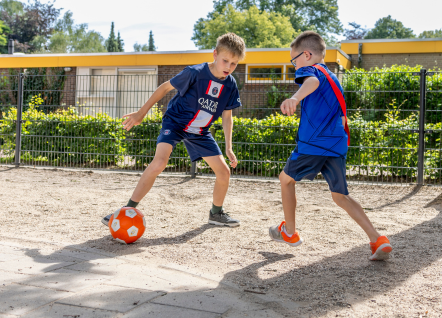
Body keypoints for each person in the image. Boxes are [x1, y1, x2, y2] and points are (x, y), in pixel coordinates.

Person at [269, 31, 393, 261]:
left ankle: (290, 232)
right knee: (340, 196)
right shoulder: (334, 78)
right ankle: (378, 239)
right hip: (337, 144)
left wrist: (295, 98)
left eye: (294, 60)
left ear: (307, 55)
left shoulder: (313, 71)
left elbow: (311, 82)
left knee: (285, 179)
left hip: (313, 144)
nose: (294, 65)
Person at [102, 32, 245, 228]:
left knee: (224, 172)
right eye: (225, 61)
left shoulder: (230, 85)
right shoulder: (194, 73)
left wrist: (228, 147)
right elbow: (163, 88)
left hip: (200, 131)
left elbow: (227, 117)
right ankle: (126, 210)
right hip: (175, 123)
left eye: (234, 64)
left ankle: (216, 213)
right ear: (215, 54)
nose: (229, 67)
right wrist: (142, 112)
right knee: (160, 162)